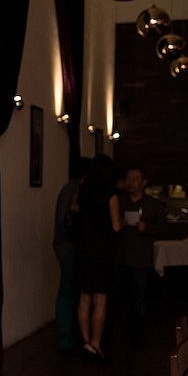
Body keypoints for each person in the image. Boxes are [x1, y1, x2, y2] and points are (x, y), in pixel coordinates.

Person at [111, 165, 166, 344]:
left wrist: (147, 228)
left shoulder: (153, 204)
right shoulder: (118, 202)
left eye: (135, 179)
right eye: (128, 179)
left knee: (138, 300)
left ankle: (136, 337)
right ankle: (114, 335)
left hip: (141, 260)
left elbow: (163, 229)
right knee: (116, 298)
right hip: (119, 258)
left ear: (144, 182)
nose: (130, 183)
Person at [74, 154, 116, 362]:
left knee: (84, 298)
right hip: (103, 251)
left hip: (84, 249)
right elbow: (116, 226)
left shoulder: (83, 192)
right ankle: (96, 343)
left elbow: (74, 217)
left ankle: (86, 342)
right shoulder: (111, 196)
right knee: (100, 299)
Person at [53, 155, 89, 352]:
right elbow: (65, 221)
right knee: (68, 291)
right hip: (68, 247)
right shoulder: (73, 190)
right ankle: (65, 338)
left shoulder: (69, 188)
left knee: (70, 291)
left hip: (65, 245)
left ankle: (68, 336)